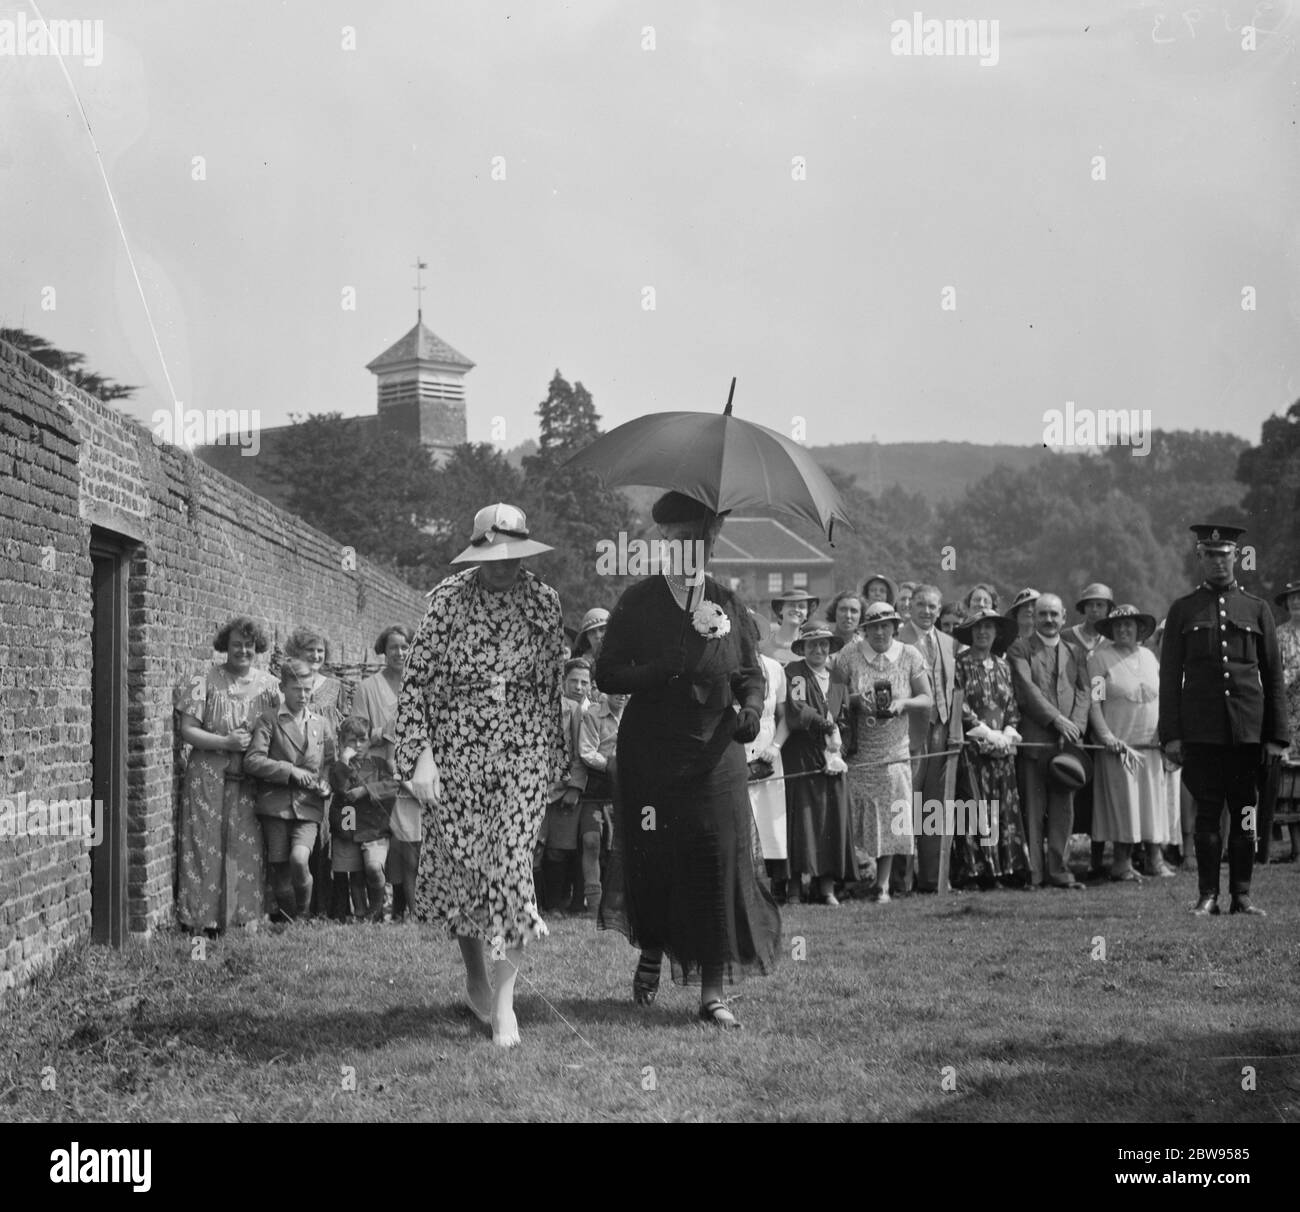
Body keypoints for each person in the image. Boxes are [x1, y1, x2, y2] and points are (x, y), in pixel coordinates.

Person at [596, 490, 780, 1030]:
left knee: (718, 858)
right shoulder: (638, 601)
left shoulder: (728, 601)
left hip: (718, 750)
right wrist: (657, 668)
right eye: (678, 539)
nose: (689, 547)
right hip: (654, 751)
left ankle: (713, 992)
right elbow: (607, 674)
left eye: (700, 538)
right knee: (657, 855)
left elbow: (749, 673)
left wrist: (749, 708)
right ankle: (653, 948)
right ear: (662, 542)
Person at [396, 502, 565, 1047]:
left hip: (522, 751)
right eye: (494, 555)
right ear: (476, 551)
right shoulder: (446, 602)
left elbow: (550, 689)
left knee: (513, 865)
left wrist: (551, 762)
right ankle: (475, 977)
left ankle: (506, 1005)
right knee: (462, 871)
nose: (504, 565)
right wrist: (420, 756)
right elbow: (416, 686)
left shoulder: (544, 602)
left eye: (514, 555)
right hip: (457, 753)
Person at [1159, 525, 1289, 917]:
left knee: (1246, 814)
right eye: (1210, 554)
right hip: (1202, 733)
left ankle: (1243, 895)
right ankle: (1207, 895)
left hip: (1248, 732)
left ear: (1237, 557)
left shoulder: (1257, 608)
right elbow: (1169, 679)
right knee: (1208, 815)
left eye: (1225, 554)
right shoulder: (1183, 610)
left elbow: (1273, 675)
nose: (1218, 561)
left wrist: (1275, 736)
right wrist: (1172, 735)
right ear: (1200, 558)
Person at [175, 616, 280, 934]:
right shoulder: (202, 679)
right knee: (204, 844)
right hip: (207, 777)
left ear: (257, 647)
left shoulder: (271, 686)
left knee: (245, 844)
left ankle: (242, 920)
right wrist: (226, 742)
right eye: (236, 644)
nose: (243, 650)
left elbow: (281, 730)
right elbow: (187, 730)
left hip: (250, 779)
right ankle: (200, 921)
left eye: (249, 645)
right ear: (225, 646)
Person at [835, 600, 932, 903]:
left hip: (894, 748)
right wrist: (855, 700)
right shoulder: (847, 655)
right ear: (864, 629)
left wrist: (903, 703)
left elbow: (927, 699)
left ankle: (883, 885)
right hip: (858, 749)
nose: (879, 632)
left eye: (885, 625)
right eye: (874, 626)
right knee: (855, 814)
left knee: (891, 816)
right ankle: (851, 880)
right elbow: (832, 699)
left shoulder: (909, 655)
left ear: (894, 627)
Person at [1008, 593, 1091, 890]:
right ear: (1034, 616)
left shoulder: (1076, 651)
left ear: (1064, 617)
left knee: (1063, 810)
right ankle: (1034, 873)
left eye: (1054, 614)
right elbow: (1026, 690)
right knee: (1033, 809)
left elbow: (1085, 693)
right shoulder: (1020, 649)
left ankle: (1059, 871)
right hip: (1035, 741)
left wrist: (1076, 728)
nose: (1048, 619)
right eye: (1042, 614)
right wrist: (1056, 720)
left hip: (1068, 745)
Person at [245, 658, 335, 921]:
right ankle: (287, 919)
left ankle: (304, 914)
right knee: (281, 871)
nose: (304, 696)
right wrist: (289, 771)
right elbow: (252, 760)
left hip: (308, 807)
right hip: (276, 805)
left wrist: (326, 784)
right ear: (283, 688)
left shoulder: (320, 724)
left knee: (299, 859)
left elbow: (329, 763)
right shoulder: (269, 720)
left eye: (308, 690)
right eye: (297, 690)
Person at [1087, 605, 1173, 881]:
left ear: (1139, 629)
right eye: (1119, 625)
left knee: (1152, 804)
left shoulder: (1150, 657)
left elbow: (1163, 698)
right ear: (1111, 630)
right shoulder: (1099, 660)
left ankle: (1154, 859)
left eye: (1130, 625)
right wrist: (1107, 737)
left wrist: (1163, 732)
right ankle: (1121, 863)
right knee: (1124, 805)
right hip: (1119, 748)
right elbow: (1094, 702)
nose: (1124, 630)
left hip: (1151, 745)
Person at [949, 609, 1031, 889]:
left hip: (1002, 752)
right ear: (970, 633)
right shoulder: (959, 664)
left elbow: (1011, 706)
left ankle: (1005, 869)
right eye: (977, 628)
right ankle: (977, 871)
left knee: (1002, 809)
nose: (983, 632)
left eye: (988, 628)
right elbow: (959, 705)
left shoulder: (1003, 666)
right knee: (976, 807)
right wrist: (987, 734)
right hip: (975, 749)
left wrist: (1007, 734)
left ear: (997, 633)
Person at [781, 622, 857, 905]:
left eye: (824, 644)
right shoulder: (794, 673)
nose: (818, 649)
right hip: (801, 755)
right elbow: (797, 709)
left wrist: (840, 753)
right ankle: (794, 889)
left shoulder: (837, 676)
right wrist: (826, 726)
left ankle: (826, 887)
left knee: (830, 819)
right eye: (812, 644)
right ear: (802, 648)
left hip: (833, 759)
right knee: (801, 819)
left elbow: (846, 719)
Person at [354, 624, 421, 919]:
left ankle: (408, 910)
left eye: (405, 647)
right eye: (393, 647)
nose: (400, 653)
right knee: (379, 846)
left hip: (411, 778)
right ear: (384, 649)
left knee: (410, 848)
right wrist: (383, 733)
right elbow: (355, 737)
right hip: (377, 775)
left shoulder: (418, 687)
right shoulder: (367, 688)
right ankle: (377, 908)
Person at [283, 626, 350, 918]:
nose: (316, 655)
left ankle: (327, 905)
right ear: (297, 652)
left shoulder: (335, 687)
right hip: (297, 766)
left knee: (327, 834)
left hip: (326, 767)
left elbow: (344, 728)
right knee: (297, 836)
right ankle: (295, 907)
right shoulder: (289, 683)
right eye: (310, 650)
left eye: (321, 650)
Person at [899, 584, 958, 893]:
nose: (926, 611)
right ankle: (903, 880)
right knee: (907, 806)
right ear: (910, 607)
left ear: (939, 609)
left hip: (941, 731)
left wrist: (953, 730)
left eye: (932, 606)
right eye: (920, 604)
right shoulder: (898, 640)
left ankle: (933, 878)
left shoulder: (949, 643)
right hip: (908, 732)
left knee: (934, 807)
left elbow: (954, 688)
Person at [328, 715, 396, 921]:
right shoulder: (339, 765)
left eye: (362, 740)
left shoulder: (378, 764)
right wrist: (344, 761)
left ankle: (376, 908)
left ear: (369, 741)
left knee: (374, 868)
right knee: (354, 871)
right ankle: (359, 913)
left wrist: (366, 790)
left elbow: (393, 785)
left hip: (374, 827)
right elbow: (339, 787)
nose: (357, 745)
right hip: (348, 825)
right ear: (342, 743)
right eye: (351, 740)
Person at [539, 658, 593, 912]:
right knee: (534, 848)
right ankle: (534, 904)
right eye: (572, 680)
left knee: (559, 849)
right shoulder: (535, 705)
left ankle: (555, 904)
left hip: (563, 790)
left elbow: (579, 753)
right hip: (534, 789)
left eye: (583, 682)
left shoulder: (574, 710)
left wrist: (575, 787)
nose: (578, 686)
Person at [576, 689, 628, 916]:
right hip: (596, 789)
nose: (622, 695)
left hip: (627, 791)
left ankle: (617, 903)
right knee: (591, 841)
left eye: (627, 691)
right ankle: (594, 903)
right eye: (617, 690)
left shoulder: (636, 714)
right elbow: (586, 752)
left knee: (623, 844)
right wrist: (611, 764)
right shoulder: (593, 715)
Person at [747, 651, 791, 897]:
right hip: (735, 748)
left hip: (769, 749)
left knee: (772, 818)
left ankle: (776, 888)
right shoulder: (725, 664)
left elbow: (785, 717)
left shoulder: (774, 667)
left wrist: (775, 746)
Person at [1270, 579, 1300, 860]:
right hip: (1290, 717)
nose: (1296, 603)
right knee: (1290, 784)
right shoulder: (1279, 636)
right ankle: (1295, 846)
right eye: (1292, 599)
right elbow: (1273, 677)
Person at [762, 588, 818, 666]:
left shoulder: (811, 647)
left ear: (807, 614)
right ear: (780, 610)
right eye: (791, 605)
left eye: (801, 606)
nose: (796, 609)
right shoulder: (763, 645)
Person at [1068, 583, 1114, 654]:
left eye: (1099, 605)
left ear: (1108, 609)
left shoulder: (1114, 638)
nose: (1094, 609)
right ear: (1083, 608)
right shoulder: (1067, 636)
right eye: (1090, 604)